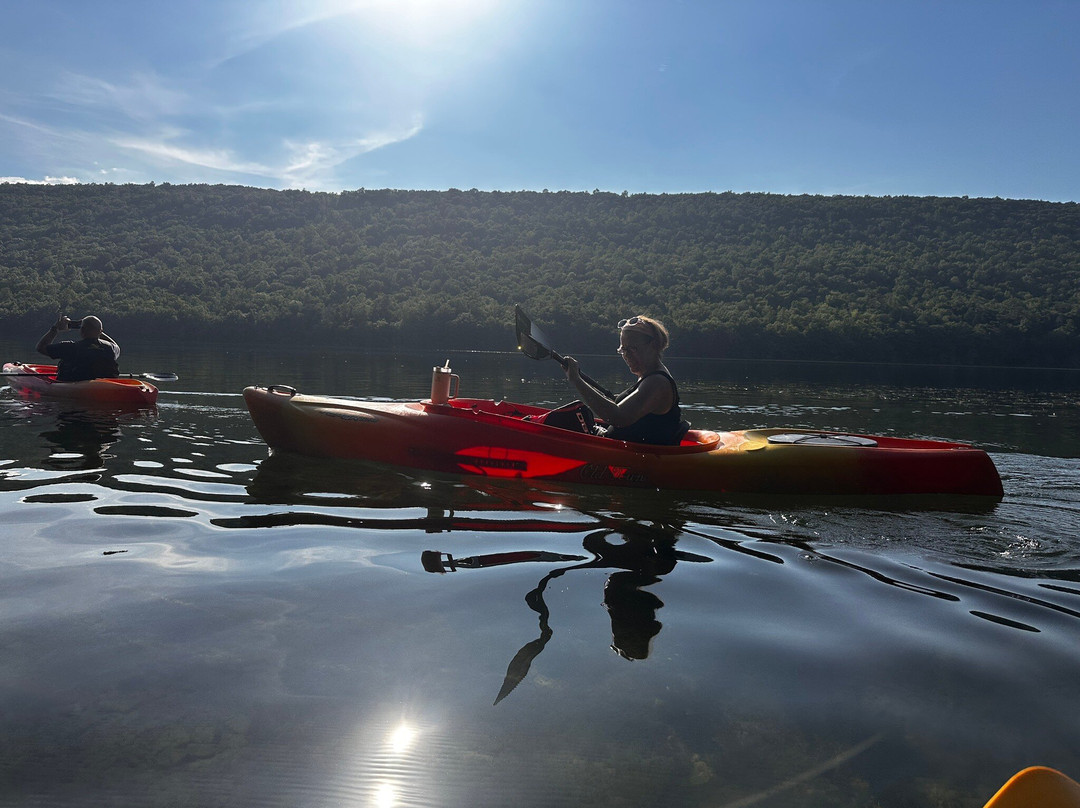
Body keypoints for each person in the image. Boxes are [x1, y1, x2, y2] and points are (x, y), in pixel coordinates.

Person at [564, 315, 687, 445]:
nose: (627, 355)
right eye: (623, 349)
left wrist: (577, 381)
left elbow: (618, 417)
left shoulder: (657, 383)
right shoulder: (647, 377)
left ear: (653, 345)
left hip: (634, 458)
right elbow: (627, 408)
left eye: (632, 349)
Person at [36, 315, 121, 382]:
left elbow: (41, 347)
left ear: (82, 330)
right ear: (100, 331)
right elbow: (116, 346)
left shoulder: (70, 347)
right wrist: (98, 331)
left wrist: (55, 328)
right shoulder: (111, 349)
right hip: (103, 386)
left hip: (74, 386)